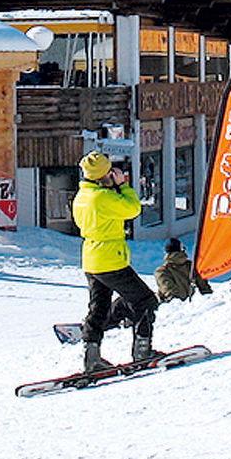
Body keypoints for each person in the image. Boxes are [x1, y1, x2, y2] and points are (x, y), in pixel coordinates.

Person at [72, 150, 157, 371]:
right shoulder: (103, 197)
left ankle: (91, 357)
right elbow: (133, 209)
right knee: (145, 300)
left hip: (91, 258)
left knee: (98, 308)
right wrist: (122, 185)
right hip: (110, 259)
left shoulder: (82, 196)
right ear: (104, 175)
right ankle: (142, 351)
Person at [153, 235, 209, 302]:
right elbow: (205, 288)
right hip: (192, 305)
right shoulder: (191, 266)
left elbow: (169, 292)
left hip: (172, 309)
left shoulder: (162, 271)